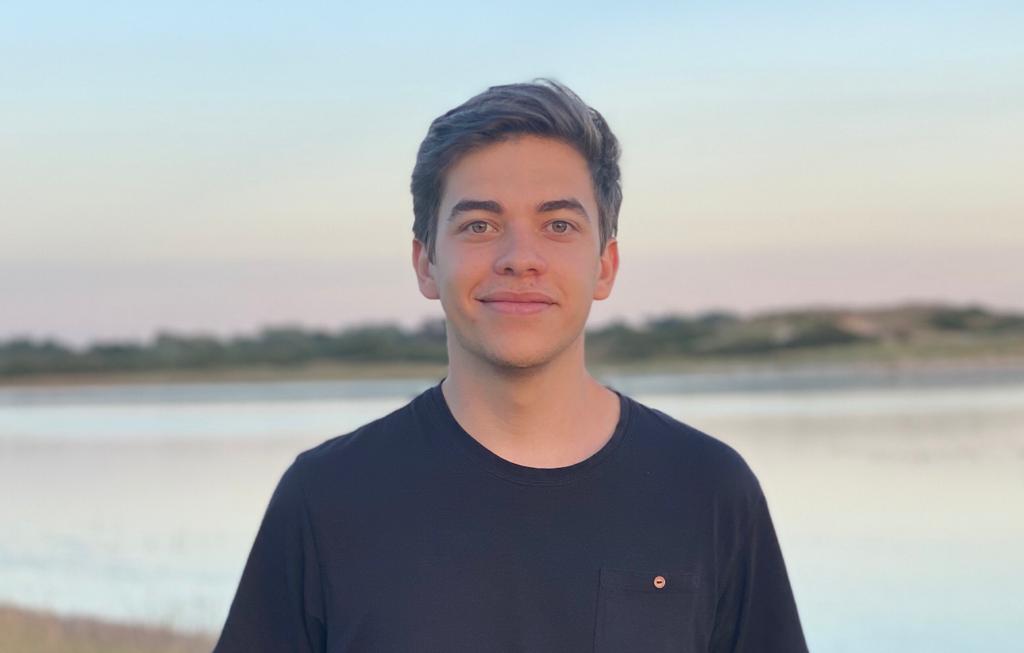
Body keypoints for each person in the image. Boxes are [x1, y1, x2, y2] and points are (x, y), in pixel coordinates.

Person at [213, 79, 809, 652]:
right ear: (425, 264)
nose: (520, 258)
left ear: (605, 266)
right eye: (480, 225)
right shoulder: (326, 498)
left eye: (558, 225)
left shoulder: (706, 489)